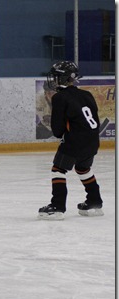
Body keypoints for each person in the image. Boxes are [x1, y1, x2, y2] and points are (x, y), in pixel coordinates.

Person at [38, 61, 103, 220]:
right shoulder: (86, 95)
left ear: (62, 78)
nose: (53, 79)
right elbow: (95, 119)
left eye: (56, 76)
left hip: (74, 141)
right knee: (83, 169)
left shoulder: (60, 98)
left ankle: (57, 207)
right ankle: (94, 201)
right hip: (93, 141)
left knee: (58, 170)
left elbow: (57, 129)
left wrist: (65, 136)